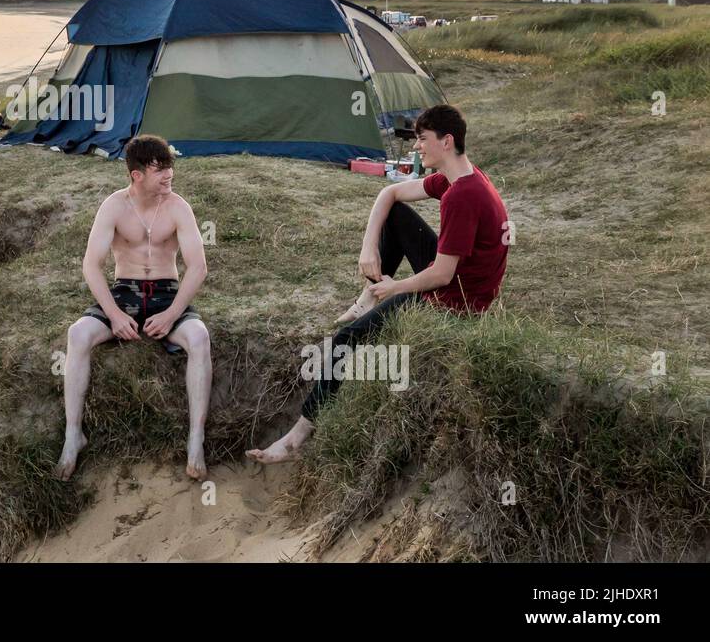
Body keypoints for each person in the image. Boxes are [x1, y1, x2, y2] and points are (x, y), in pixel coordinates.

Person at [247, 104, 509, 464]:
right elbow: (389, 195)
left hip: (457, 301)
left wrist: (393, 286)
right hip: (456, 277)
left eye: (422, 139)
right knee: (397, 215)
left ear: (447, 142)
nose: (417, 147)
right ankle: (364, 299)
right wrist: (368, 248)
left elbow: (442, 277)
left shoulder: (462, 195)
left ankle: (298, 435)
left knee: (347, 338)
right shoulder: (459, 177)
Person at [55, 134, 212, 481]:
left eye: (170, 168)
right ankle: (73, 435)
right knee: (78, 334)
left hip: (166, 294)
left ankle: (195, 439)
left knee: (199, 339)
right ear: (136, 175)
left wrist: (172, 314)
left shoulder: (178, 207)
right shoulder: (113, 206)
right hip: (124, 293)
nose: (169, 175)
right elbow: (91, 266)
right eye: (160, 170)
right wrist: (113, 314)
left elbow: (198, 267)